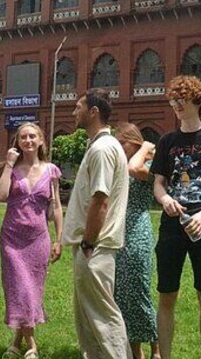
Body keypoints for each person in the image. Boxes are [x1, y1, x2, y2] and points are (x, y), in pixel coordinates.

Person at [151, 75, 201, 359]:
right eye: (173, 100)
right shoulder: (167, 141)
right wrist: (165, 199)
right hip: (171, 228)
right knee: (166, 295)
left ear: (198, 101)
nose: (176, 105)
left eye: (181, 100)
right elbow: (158, 183)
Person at [61, 88, 132, 358]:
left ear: (93, 112)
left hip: (96, 246)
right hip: (95, 245)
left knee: (103, 318)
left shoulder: (102, 149)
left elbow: (100, 200)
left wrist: (88, 243)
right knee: (88, 318)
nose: (74, 112)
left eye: (78, 107)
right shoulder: (101, 146)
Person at [0, 122, 63, 359]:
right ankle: (32, 345)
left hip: (38, 239)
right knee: (19, 289)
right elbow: (0, 195)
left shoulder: (51, 170)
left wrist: (58, 239)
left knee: (32, 291)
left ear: (41, 140)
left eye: (33, 136)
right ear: (18, 142)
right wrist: (9, 164)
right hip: (12, 239)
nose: (28, 140)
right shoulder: (12, 168)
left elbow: (56, 206)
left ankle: (16, 342)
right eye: (23, 137)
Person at [114, 122, 161, 359]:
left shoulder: (148, 166)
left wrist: (145, 147)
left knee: (140, 290)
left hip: (138, 230)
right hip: (118, 231)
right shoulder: (120, 164)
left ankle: (156, 349)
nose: (119, 148)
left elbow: (134, 169)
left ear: (134, 142)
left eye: (122, 143)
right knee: (122, 292)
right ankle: (135, 352)